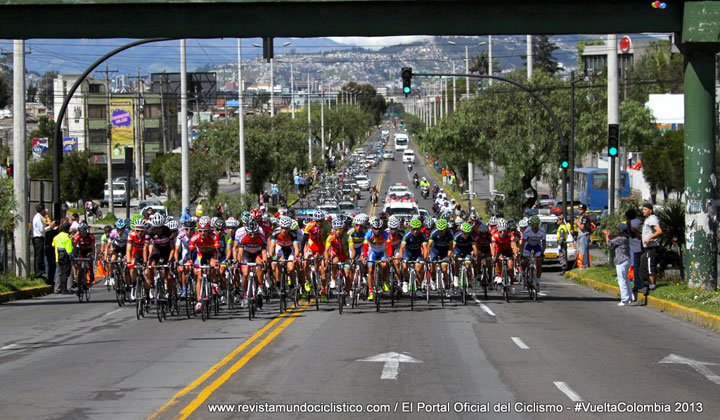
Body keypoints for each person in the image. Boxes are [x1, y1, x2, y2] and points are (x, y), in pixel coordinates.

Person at [606, 223, 634, 306]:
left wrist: (607, 235)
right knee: (626, 279)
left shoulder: (620, 239)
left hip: (621, 261)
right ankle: (630, 296)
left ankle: (624, 299)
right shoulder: (625, 238)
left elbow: (609, 244)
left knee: (621, 280)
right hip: (627, 259)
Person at [639, 203, 662, 292]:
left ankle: (652, 285)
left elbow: (659, 231)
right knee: (642, 267)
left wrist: (649, 238)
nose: (643, 211)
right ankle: (646, 284)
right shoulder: (648, 219)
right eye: (643, 209)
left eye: (645, 209)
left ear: (650, 210)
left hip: (651, 247)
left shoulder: (652, 219)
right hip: (646, 247)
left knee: (649, 266)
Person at [31, 204, 54, 280]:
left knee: (40, 255)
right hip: (38, 238)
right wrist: (50, 227)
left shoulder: (40, 217)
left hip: (39, 238)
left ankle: (40, 272)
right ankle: (38, 273)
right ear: (42, 210)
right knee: (39, 256)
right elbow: (41, 230)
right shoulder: (38, 218)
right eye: (44, 211)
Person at [52, 222, 73, 294]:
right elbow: (69, 250)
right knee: (68, 273)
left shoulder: (56, 236)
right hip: (66, 258)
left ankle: (57, 289)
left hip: (58, 257)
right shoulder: (68, 237)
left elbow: (53, 244)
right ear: (67, 228)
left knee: (58, 273)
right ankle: (68, 288)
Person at [625, 208, 643, 283]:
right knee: (638, 263)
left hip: (632, 244)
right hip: (639, 244)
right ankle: (636, 278)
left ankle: (634, 278)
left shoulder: (629, 223)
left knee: (633, 263)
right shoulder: (639, 221)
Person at [576, 204, 592, 269]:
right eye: (579, 209)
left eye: (581, 209)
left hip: (584, 235)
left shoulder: (585, 217)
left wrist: (577, 223)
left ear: (584, 210)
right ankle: (586, 264)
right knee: (583, 250)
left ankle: (585, 265)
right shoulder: (582, 216)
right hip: (582, 235)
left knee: (584, 250)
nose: (580, 210)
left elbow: (582, 227)